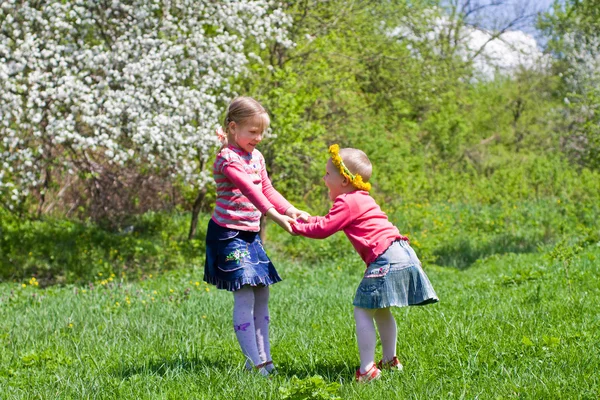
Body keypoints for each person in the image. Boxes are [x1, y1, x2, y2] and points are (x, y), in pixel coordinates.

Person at [291, 144, 438, 383]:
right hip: (403, 252)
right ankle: (390, 361)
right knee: (381, 309)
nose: (323, 178)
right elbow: (328, 221)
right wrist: (308, 219)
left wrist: (298, 227)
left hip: (386, 259)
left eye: (328, 174)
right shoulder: (361, 199)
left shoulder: (347, 202)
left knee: (362, 310)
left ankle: (367, 369)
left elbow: (324, 229)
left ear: (345, 181)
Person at [204, 96, 309, 376]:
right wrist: (275, 216)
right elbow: (250, 191)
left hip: (250, 235)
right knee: (245, 296)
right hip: (228, 235)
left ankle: (266, 359)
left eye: (261, 132)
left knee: (262, 292)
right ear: (233, 127)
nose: (258, 137)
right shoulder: (227, 158)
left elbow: (267, 189)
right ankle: (256, 363)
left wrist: (291, 209)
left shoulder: (256, 157)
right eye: (252, 132)